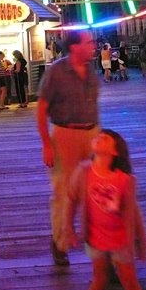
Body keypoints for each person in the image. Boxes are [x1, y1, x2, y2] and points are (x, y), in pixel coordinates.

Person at [60, 129, 146, 290]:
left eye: (105, 138)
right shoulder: (84, 171)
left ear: (115, 151)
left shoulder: (125, 180)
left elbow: (133, 211)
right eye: (98, 136)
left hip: (121, 239)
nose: (99, 137)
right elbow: (71, 199)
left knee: (129, 280)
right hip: (95, 238)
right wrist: (68, 227)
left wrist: (141, 238)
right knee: (100, 278)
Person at [37, 31, 99, 266]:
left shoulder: (91, 71)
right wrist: (46, 144)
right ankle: (60, 243)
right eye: (89, 42)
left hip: (92, 134)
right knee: (64, 192)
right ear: (74, 47)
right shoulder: (56, 72)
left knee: (98, 192)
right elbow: (42, 108)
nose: (93, 45)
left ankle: (103, 252)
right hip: (65, 135)